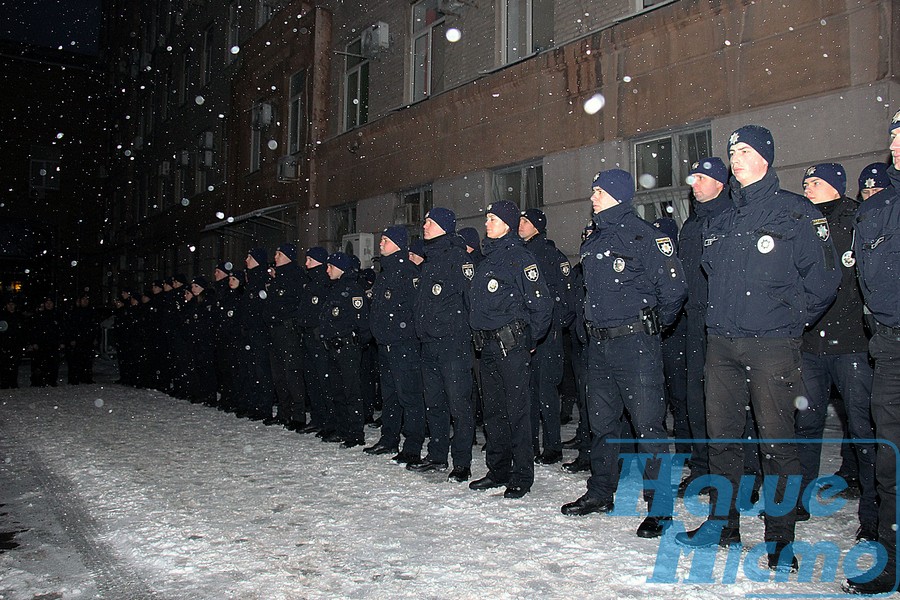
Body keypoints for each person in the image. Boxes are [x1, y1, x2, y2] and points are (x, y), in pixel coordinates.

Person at [675, 125, 840, 571]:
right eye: (732, 151)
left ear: (766, 157)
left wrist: (787, 321)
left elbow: (824, 281)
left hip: (772, 346)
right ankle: (721, 525)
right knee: (723, 440)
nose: (735, 158)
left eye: (744, 150)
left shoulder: (796, 213)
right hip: (722, 346)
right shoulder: (721, 220)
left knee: (776, 444)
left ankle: (780, 538)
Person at [560, 169, 687, 539]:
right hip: (598, 346)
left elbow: (674, 290)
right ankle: (601, 492)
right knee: (601, 426)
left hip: (635, 345)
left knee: (649, 429)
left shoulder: (644, 236)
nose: (593, 196)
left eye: (599, 191)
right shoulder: (593, 239)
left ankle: (660, 508)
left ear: (618, 194)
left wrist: (649, 325)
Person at [794, 163, 876, 541]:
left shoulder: (859, 221)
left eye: (815, 183)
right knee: (806, 424)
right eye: (806, 182)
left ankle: (874, 512)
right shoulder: (801, 223)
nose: (807, 188)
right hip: (811, 344)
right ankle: (799, 499)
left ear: (836, 187)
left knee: (862, 427)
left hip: (852, 344)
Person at [844, 108, 900, 595]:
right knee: (890, 459)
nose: (898, 143)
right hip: (890, 341)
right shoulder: (877, 210)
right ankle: (892, 554)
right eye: (895, 135)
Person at [469, 201, 553, 498]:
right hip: (487, 347)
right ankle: (498, 469)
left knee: (517, 411)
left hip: (511, 345)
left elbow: (542, 304)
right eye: (487, 218)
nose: (487, 223)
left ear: (507, 223)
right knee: (493, 412)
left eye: (492, 219)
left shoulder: (520, 257)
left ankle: (521, 475)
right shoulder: (486, 258)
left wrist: (529, 342)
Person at [677, 158, 732, 493]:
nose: (694, 183)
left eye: (701, 178)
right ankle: (701, 468)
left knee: (728, 402)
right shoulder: (691, 227)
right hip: (694, 321)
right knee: (696, 399)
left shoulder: (731, 219)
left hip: (725, 320)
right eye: (693, 177)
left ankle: (740, 473)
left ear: (720, 184)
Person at [409, 207, 476, 477]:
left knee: (459, 405)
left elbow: (471, 301)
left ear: (443, 227)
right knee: (434, 403)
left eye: (429, 222)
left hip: (453, 344)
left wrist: (461, 332)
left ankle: (462, 462)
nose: (424, 226)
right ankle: (437, 455)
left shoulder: (458, 259)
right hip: (429, 344)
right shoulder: (429, 260)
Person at [518, 208, 575, 465]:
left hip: (547, 334)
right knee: (527, 391)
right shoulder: (521, 254)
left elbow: (565, 296)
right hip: (528, 331)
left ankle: (552, 446)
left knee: (546, 392)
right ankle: (528, 444)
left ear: (538, 226)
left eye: (526, 221)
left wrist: (554, 326)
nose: (520, 224)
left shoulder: (550, 255)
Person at [367, 226, 427, 465]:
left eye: (385, 240)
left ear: (398, 244)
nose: (380, 243)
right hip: (385, 346)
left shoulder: (407, 272)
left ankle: (412, 446)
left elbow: (415, 311)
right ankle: (388, 438)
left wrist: (402, 334)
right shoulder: (386, 271)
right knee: (390, 396)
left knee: (409, 397)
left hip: (404, 346)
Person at [319, 252, 371, 448]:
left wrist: (357, 343)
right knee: (338, 390)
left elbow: (362, 321)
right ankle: (342, 429)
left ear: (340, 268)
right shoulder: (335, 289)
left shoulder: (352, 290)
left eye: (330, 266)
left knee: (351, 391)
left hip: (348, 347)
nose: (327, 270)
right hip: (333, 347)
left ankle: (356, 433)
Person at [265, 243, 307, 430]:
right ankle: (284, 412)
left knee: (292, 372)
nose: (275, 257)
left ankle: (297, 414)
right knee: (278, 374)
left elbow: (296, 304)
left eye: (278, 254)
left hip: (287, 330)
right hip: (275, 329)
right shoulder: (276, 278)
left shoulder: (295, 276)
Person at [298, 246, 331, 435]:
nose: (307, 264)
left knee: (323, 380)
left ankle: (328, 419)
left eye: (310, 260)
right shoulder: (310, 284)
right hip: (308, 336)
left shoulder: (324, 283)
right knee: (312, 380)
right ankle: (317, 417)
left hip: (319, 338)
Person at [241, 247, 277, 421]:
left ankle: (264, 407)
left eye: (249, 256)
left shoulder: (262, 280)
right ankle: (254, 404)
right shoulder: (253, 280)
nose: (246, 260)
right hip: (252, 331)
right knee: (252, 369)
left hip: (261, 332)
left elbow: (263, 308)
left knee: (262, 370)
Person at [64, 292, 98, 384]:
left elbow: (94, 326)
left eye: (87, 299)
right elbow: (70, 326)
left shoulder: (91, 312)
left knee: (87, 360)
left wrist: (94, 338)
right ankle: (74, 378)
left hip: (87, 339)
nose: (85, 301)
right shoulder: (74, 312)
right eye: (83, 299)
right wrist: (71, 338)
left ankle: (86, 377)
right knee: (75, 360)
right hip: (77, 340)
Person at [0, 297, 25, 388]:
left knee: (14, 365)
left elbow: (23, 331)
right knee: (4, 365)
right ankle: (4, 383)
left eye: (12, 305)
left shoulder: (19, 316)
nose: (11, 306)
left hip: (16, 344)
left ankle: (13, 382)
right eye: (9, 305)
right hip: (4, 344)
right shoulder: (2, 316)